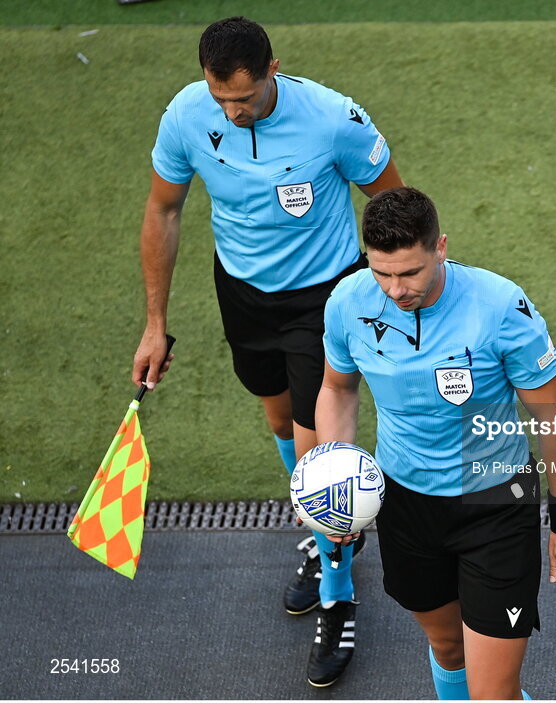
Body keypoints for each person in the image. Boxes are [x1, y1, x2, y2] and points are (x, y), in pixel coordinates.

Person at [130, 16, 404, 687]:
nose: (233, 110)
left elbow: (394, 201)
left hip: (325, 298)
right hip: (245, 294)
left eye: (245, 98)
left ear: (273, 69)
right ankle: (329, 534)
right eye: (222, 98)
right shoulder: (187, 117)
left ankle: (340, 595)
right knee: (280, 423)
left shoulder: (335, 119)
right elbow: (164, 210)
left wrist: (395, 292)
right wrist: (154, 322)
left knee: (320, 457)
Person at [316, 186, 556, 700]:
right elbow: (338, 389)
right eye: (382, 273)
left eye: (409, 273)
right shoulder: (348, 303)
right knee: (449, 650)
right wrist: (333, 485)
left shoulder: (500, 307)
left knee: (492, 692)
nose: (396, 290)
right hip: (405, 502)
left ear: (440, 247)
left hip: (495, 505)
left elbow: (550, 415)